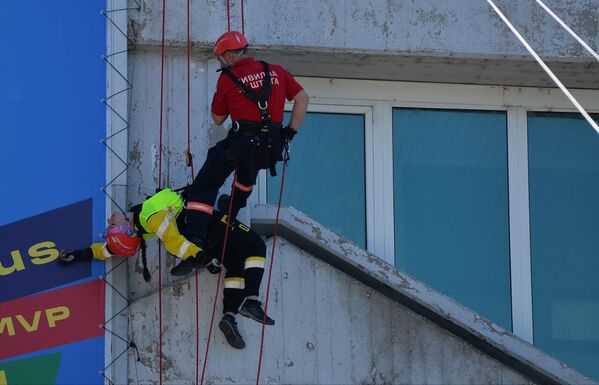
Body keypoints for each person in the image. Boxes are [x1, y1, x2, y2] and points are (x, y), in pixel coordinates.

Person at [59, 189, 274, 349]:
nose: (108, 221)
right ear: (125, 226)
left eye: (109, 226)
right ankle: (252, 301)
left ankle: (229, 316)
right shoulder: (150, 216)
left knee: (236, 266)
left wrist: (78, 254)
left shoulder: (140, 228)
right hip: (205, 224)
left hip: (205, 243)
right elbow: (173, 241)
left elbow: (106, 250)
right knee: (256, 246)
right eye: (112, 225)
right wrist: (198, 256)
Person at [184, 30, 309, 249]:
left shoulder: (227, 78)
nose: (220, 63)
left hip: (241, 143)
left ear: (229, 56)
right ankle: (230, 212)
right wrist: (289, 132)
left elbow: (218, 118)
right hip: (271, 145)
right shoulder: (276, 71)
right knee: (245, 179)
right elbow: (302, 98)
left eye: (220, 59)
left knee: (205, 184)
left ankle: (195, 238)